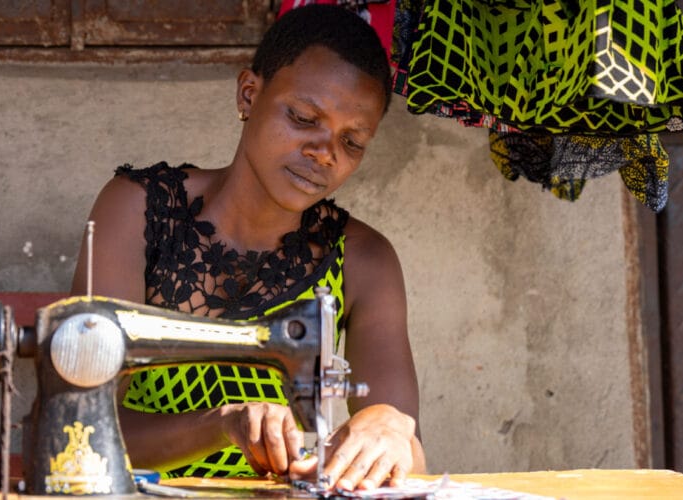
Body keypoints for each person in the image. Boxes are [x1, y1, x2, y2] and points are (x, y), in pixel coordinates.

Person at [70, 4, 425, 491]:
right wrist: (222, 424)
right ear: (249, 94)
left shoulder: (364, 261)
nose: (325, 152)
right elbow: (84, 426)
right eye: (303, 118)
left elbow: (412, 456)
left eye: (353, 142)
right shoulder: (138, 212)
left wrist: (390, 427)